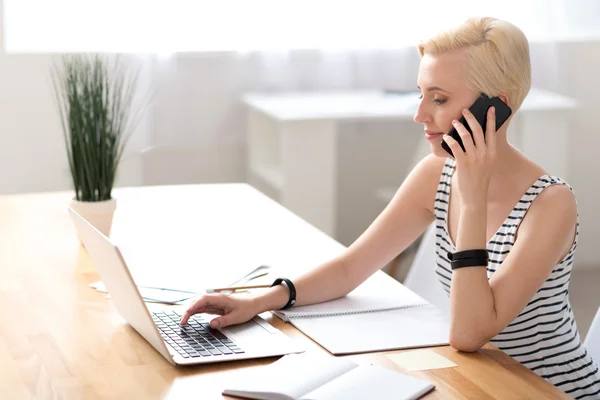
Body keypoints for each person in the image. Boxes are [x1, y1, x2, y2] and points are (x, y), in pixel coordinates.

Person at [181, 17, 600, 398]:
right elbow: (352, 267)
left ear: (495, 108)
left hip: (546, 390)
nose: (419, 114)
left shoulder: (550, 204)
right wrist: (260, 301)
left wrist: (472, 202)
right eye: (421, 94)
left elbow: (470, 332)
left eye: (438, 99)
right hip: (477, 380)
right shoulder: (435, 176)